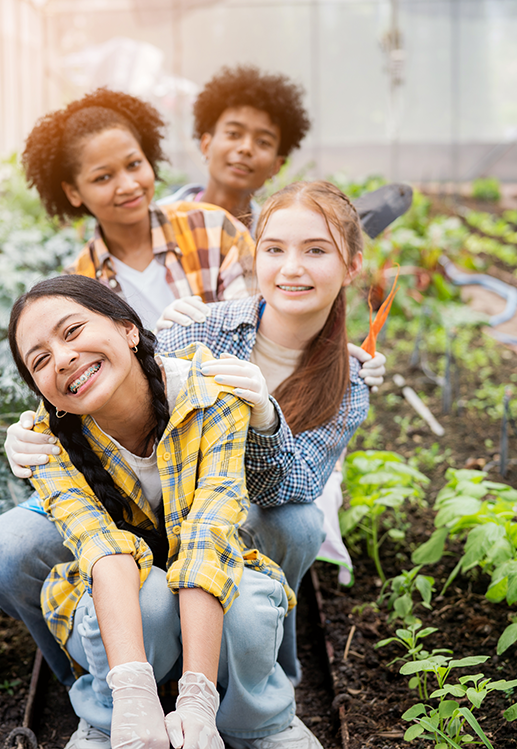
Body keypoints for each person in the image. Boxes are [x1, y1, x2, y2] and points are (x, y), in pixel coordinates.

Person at [4, 274, 319, 749]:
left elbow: (207, 537)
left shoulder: (210, 395)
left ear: (129, 329)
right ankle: (109, 717)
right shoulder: (46, 442)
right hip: (123, 591)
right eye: (41, 360)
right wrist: (131, 691)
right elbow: (101, 550)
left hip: (207, 568)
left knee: (249, 605)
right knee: (146, 598)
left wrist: (197, 697)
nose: (63, 358)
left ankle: (259, 721)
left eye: (72, 332)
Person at [156, 179, 373, 603]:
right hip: (170, 515)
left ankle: (270, 620)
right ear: (255, 258)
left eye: (316, 250)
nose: (292, 267)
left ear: (352, 266)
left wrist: (264, 418)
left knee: (300, 524)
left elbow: (296, 486)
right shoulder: (200, 328)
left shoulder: (349, 385)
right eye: (274, 249)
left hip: (249, 523)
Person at [20, 87, 257, 331]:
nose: (129, 185)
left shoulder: (213, 228)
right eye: (103, 177)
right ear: (73, 192)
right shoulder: (77, 288)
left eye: (134, 164)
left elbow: (253, 324)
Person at [160, 64, 310, 236]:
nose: (246, 148)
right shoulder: (157, 221)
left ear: (276, 166)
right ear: (206, 145)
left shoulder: (277, 238)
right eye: (233, 134)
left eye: (263, 142)